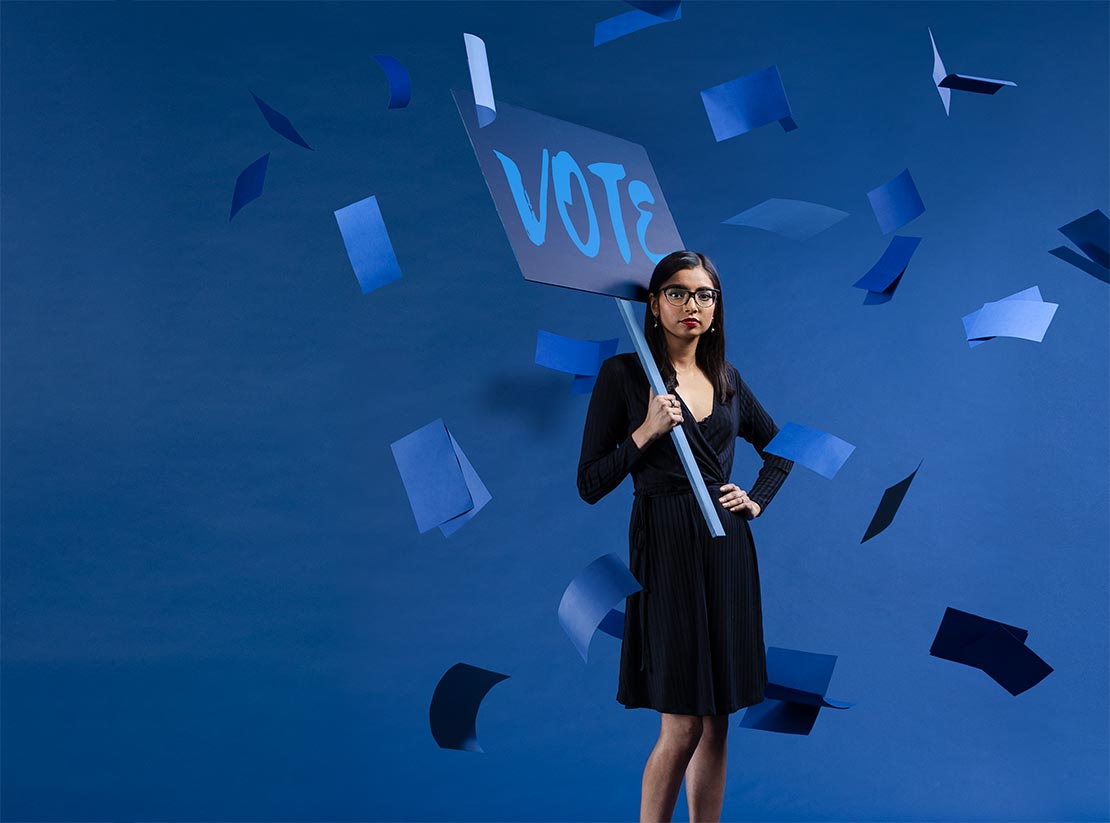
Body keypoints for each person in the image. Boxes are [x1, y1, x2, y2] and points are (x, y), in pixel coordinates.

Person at [577, 250, 793, 823]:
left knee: (719, 718)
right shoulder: (624, 376)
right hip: (664, 545)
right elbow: (590, 484)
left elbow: (781, 450)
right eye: (676, 293)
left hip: (725, 549)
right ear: (653, 305)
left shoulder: (726, 380)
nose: (691, 305)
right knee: (683, 721)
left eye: (703, 295)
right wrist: (646, 431)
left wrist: (756, 498)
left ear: (717, 310)